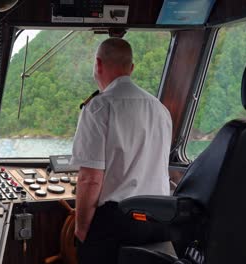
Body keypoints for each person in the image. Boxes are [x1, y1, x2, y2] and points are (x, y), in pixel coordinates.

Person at [70, 38, 172, 263]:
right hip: (159, 221)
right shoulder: (160, 108)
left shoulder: (99, 107)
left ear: (98, 64)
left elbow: (90, 179)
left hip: (119, 222)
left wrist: (82, 229)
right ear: (131, 68)